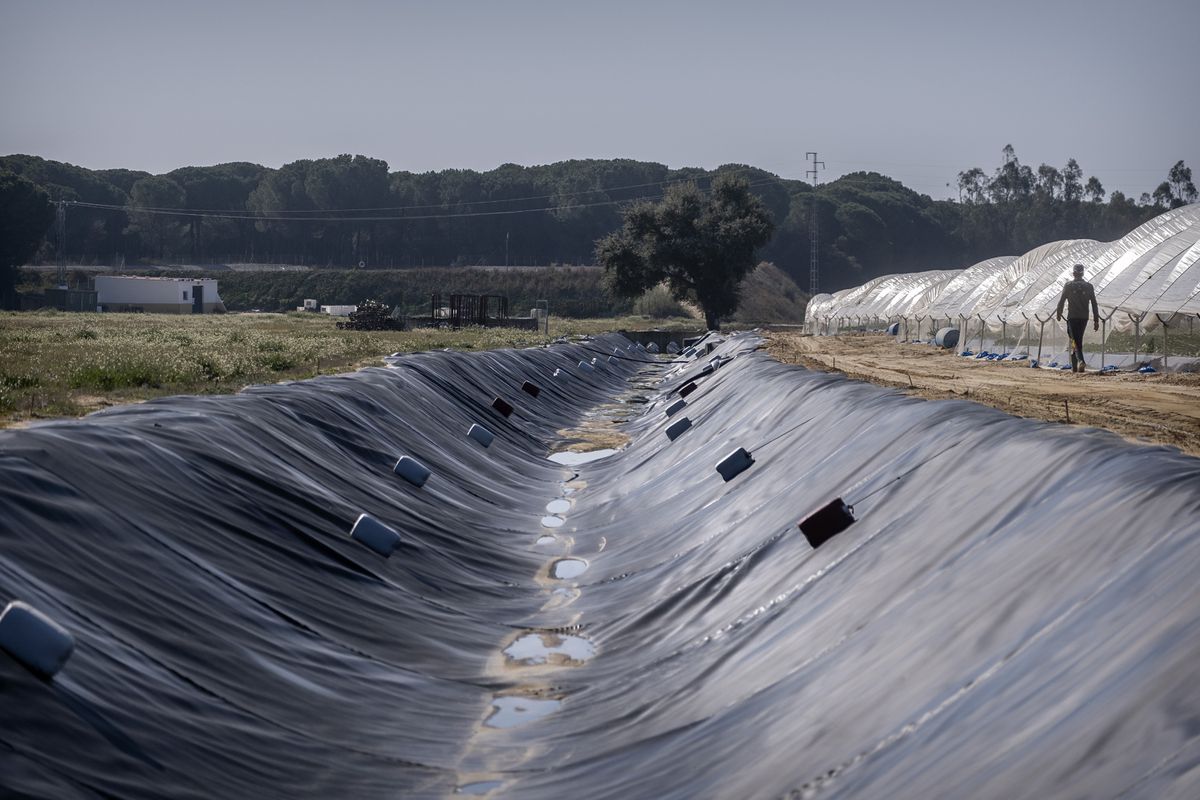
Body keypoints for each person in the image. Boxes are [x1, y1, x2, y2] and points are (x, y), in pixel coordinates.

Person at [1056, 263, 1099, 372]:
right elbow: (1094, 304)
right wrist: (1096, 320)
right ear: (1083, 274)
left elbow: (1061, 301)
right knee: (1077, 340)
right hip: (1084, 317)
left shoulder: (1068, 285)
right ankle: (1074, 367)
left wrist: (1059, 313)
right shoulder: (1089, 286)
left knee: (1075, 340)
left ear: (1073, 273)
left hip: (1072, 317)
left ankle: (1081, 361)